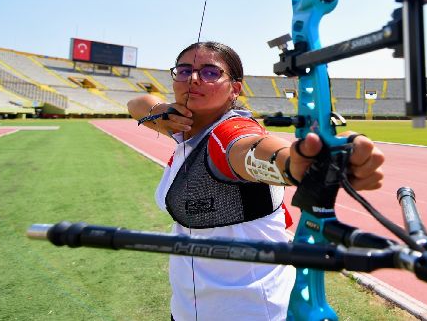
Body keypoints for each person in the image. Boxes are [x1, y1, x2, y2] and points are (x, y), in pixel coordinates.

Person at [127, 41, 385, 321]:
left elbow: (253, 150)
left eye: (211, 72)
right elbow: (137, 104)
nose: (193, 78)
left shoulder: (227, 133)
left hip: (250, 310)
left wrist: (298, 165)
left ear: (234, 89)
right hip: (190, 308)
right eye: (184, 70)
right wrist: (160, 113)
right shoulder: (183, 129)